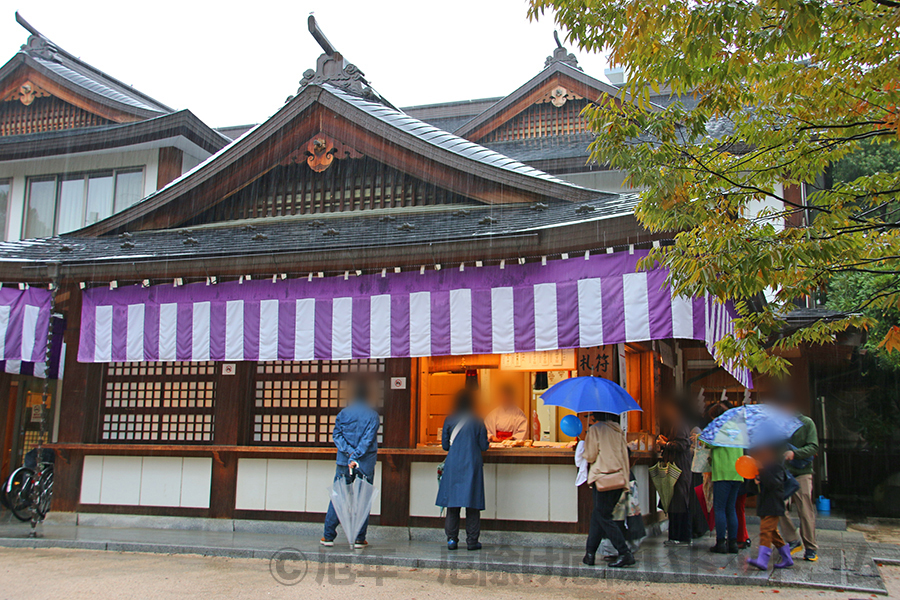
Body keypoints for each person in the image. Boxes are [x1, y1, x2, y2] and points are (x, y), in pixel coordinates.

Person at [321, 380, 380, 549]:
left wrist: (349, 453)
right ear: (368, 395)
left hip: (343, 461)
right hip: (365, 462)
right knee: (363, 497)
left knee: (338, 496)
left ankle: (328, 535)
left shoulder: (343, 414)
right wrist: (357, 455)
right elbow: (368, 439)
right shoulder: (372, 415)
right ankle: (359, 538)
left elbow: (337, 435)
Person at [436, 389, 489, 551]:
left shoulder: (449, 420)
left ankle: (452, 540)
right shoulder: (478, 421)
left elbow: (445, 446)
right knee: (472, 505)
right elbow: (484, 446)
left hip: (453, 465)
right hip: (472, 465)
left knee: (453, 505)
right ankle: (472, 541)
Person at [582, 411, 635, 568]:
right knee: (598, 515)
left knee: (603, 517)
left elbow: (590, 455)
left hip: (603, 478)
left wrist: (584, 447)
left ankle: (625, 552)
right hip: (618, 478)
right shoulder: (617, 430)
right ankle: (589, 553)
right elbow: (624, 455)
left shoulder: (596, 430)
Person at [778, 402, 820, 562]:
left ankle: (810, 547)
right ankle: (793, 539)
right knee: (778, 505)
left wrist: (795, 453)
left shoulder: (807, 422)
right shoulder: (779, 425)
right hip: (784, 471)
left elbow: (814, 447)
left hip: (802, 472)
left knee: (805, 510)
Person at [746, 445, 794, 570]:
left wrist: (762, 472)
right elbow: (755, 488)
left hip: (774, 504)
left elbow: (775, 483)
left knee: (765, 530)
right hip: (765, 504)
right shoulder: (763, 468)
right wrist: (756, 479)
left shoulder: (776, 467)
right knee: (772, 533)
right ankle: (787, 557)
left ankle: (763, 559)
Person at [706, 401, 744, 554]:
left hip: (722, 472)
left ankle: (721, 542)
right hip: (737, 472)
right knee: (731, 508)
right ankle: (733, 543)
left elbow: (707, 444)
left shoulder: (717, 428)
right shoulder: (737, 429)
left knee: (720, 508)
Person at [657, 400, 693, 546]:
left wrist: (665, 444)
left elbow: (682, 444)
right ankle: (680, 536)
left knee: (677, 502)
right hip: (678, 469)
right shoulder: (678, 424)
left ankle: (677, 536)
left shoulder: (679, 424)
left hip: (677, 470)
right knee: (678, 502)